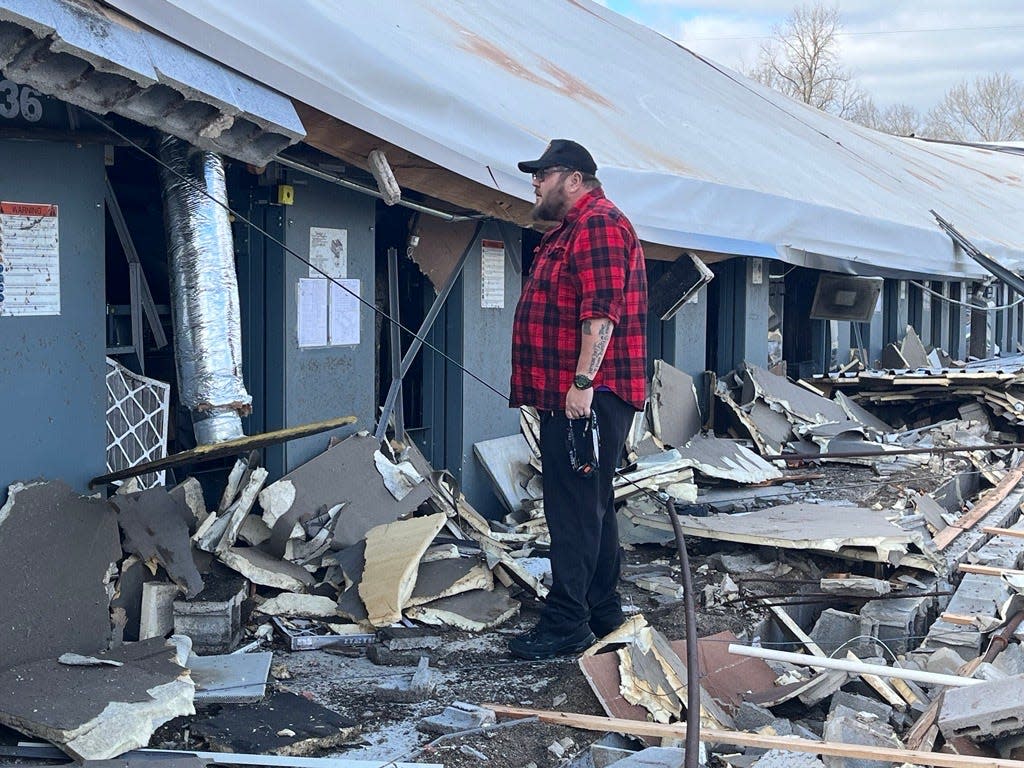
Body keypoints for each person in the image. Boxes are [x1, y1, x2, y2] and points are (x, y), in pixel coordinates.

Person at [508, 139, 648, 660]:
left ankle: (566, 623)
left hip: (593, 395)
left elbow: (600, 311)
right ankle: (602, 610)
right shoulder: (569, 230)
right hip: (582, 395)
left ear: (572, 178)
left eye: (541, 176)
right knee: (592, 505)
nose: (536, 185)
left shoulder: (598, 223)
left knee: (571, 508)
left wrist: (582, 385)